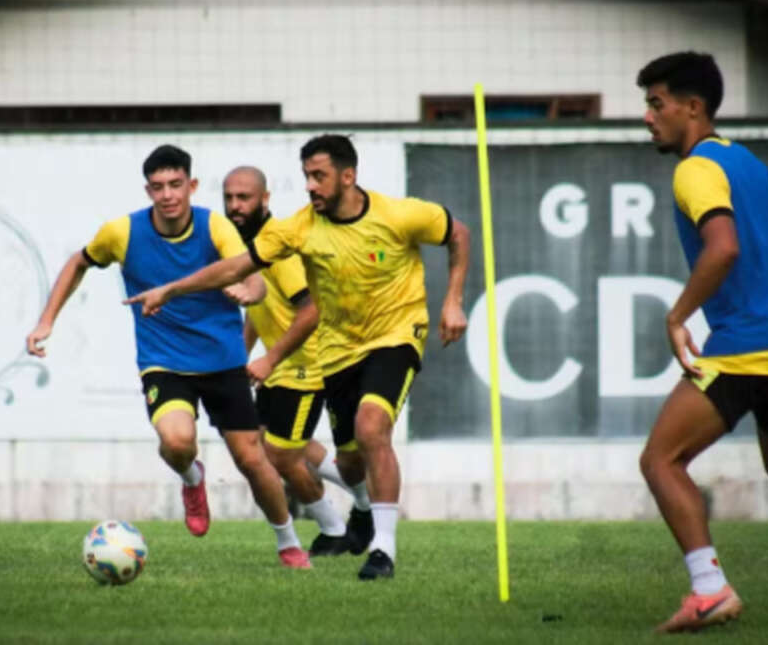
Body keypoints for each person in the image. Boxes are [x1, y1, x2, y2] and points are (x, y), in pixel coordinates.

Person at [126, 135, 470, 580]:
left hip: (395, 334)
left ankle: (381, 548)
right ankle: (360, 508)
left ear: (348, 176)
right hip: (337, 350)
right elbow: (236, 271)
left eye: (319, 176)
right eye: (307, 175)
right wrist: (172, 289)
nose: (310, 185)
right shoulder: (296, 229)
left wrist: (453, 300)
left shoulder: (400, 214)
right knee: (348, 461)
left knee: (364, 429)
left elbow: (457, 232)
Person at [635, 51, 768, 632]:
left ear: (693, 107)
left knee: (661, 459)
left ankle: (710, 589)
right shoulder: (755, 167)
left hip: (745, 349)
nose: (648, 116)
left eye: (657, 104)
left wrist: (679, 315)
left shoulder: (695, 169)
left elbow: (724, 247)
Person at [26, 144, 312, 569]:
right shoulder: (122, 233)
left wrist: (245, 290)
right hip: (164, 361)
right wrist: (46, 319)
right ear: (148, 190)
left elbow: (253, 282)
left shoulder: (215, 227)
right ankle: (191, 477)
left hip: (224, 360)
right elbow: (79, 262)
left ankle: (288, 544)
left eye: (176, 184)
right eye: (158, 187)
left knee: (252, 459)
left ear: (191, 185)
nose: (168, 195)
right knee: (177, 442)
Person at [223, 165, 363, 557]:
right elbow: (259, 308)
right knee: (290, 448)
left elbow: (312, 311)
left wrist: (270, 358)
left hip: (307, 366)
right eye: (230, 197)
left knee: (280, 455)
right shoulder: (251, 246)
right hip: (280, 367)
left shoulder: (279, 246)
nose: (235, 205)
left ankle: (337, 529)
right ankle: (365, 496)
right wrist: (243, 354)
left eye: (244, 197)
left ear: (265, 199)